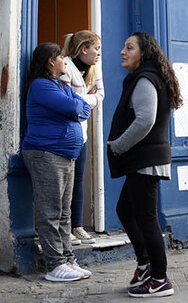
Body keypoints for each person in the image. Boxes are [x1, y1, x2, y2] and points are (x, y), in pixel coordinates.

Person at [107, 32, 182, 298]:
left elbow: (144, 121)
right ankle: (145, 263)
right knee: (125, 210)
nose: (122, 51)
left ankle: (160, 278)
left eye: (129, 47)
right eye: (124, 46)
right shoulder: (149, 77)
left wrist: (118, 146)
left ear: (144, 53)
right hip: (145, 160)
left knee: (147, 219)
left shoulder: (145, 80)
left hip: (145, 160)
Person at [21, 42, 93, 282]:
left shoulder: (60, 85)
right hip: (46, 154)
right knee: (50, 211)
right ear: (51, 61)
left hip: (65, 155)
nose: (65, 61)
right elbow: (73, 106)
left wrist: (77, 107)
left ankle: (67, 259)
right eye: (62, 58)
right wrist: (77, 107)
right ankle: (54, 265)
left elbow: (82, 106)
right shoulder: (41, 86)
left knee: (64, 212)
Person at [60, 30, 105, 246]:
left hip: (82, 134)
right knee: (64, 181)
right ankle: (64, 228)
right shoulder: (66, 66)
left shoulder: (94, 69)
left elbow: (101, 95)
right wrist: (87, 99)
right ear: (83, 49)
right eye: (96, 48)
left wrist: (81, 100)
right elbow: (66, 99)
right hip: (66, 133)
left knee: (78, 179)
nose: (99, 53)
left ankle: (77, 226)